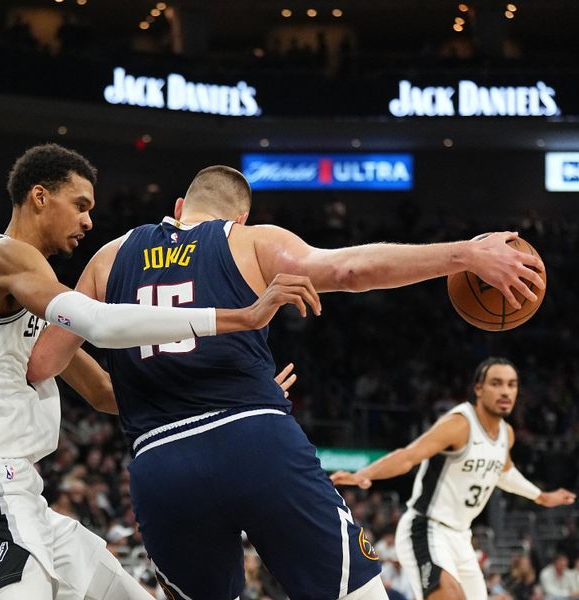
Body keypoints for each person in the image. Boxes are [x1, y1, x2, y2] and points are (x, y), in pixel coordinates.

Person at [28, 165, 547, 600]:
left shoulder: (107, 259)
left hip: (159, 462)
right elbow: (349, 271)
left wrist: (156, 386)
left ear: (180, 205)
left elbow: (43, 365)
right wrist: (464, 254)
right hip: (253, 439)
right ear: (241, 215)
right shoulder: (250, 240)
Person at [0, 146, 313, 600]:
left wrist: (236, 397)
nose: (89, 222)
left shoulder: (33, 297)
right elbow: (101, 323)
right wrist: (241, 317)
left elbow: (105, 392)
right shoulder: (3, 257)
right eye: (80, 205)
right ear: (38, 197)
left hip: (24, 494)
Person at [332, 357, 576, 600]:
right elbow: (409, 456)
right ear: (478, 389)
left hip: (462, 538)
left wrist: (540, 496)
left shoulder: (506, 433)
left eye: (512, 384)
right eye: (496, 383)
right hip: (426, 529)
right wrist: (365, 474)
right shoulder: (459, 424)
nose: (505, 391)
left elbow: (504, 472)